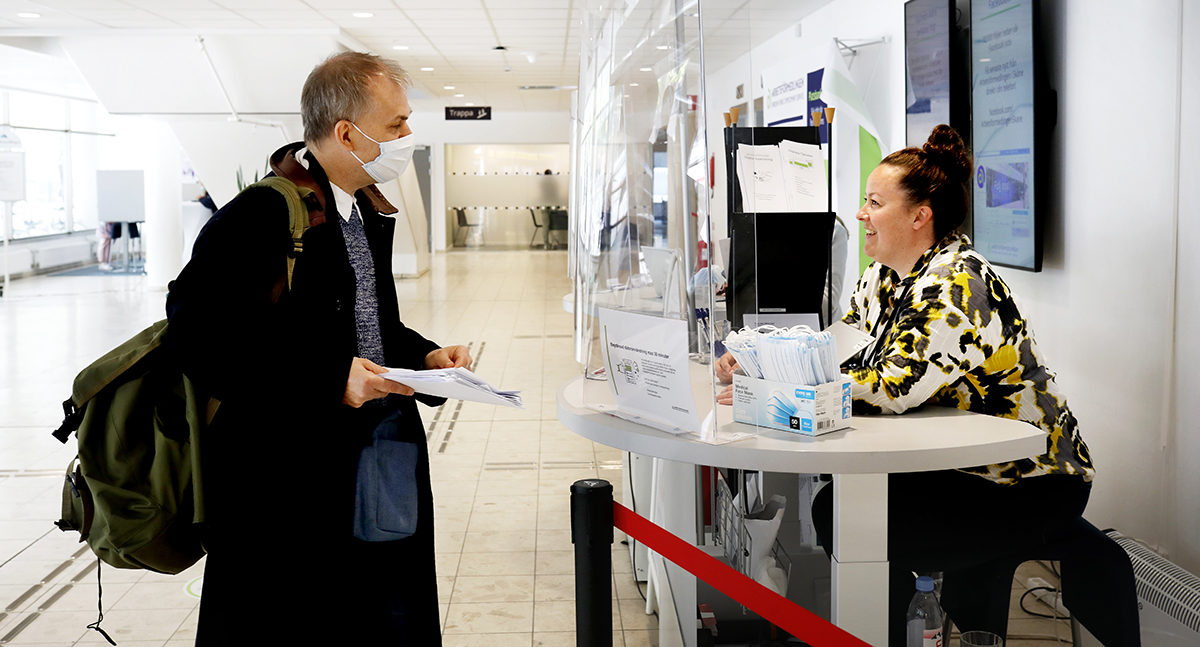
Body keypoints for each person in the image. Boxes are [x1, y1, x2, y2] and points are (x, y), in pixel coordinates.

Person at [164, 52, 469, 645]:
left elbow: (370, 327)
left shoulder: (362, 209)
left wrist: (426, 356)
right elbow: (197, 339)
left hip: (377, 452)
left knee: (384, 602)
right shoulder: (259, 215)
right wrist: (333, 380)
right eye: (396, 124)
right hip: (287, 480)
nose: (408, 136)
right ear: (347, 133)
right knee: (297, 617)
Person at [809, 125, 1126, 646]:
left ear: (919, 215)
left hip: (1030, 482)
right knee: (844, 504)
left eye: (872, 202)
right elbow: (845, 341)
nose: (861, 214)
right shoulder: (884, 275)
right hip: (964, 468)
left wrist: (795, 383)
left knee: (848, 516)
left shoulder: (959, 285)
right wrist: (773, 358)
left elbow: (892, 386)